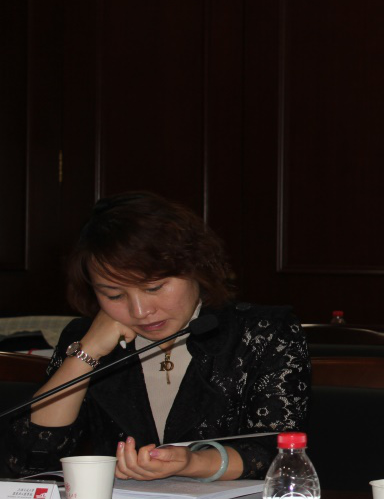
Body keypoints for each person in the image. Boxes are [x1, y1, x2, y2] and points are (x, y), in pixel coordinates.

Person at [2, 192, 310, 481]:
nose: (140, 311)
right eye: (114, 294)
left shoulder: (264, 332)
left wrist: (192, 463)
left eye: (154, 288)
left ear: (195, 267)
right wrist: (88, 352)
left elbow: (279, 451)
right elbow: (28, 461)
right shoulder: (82, 339)